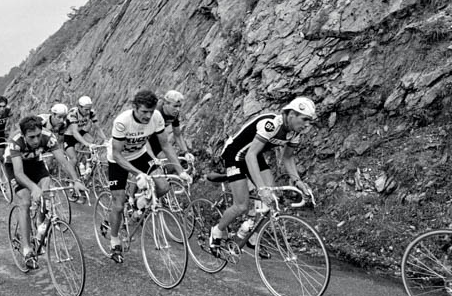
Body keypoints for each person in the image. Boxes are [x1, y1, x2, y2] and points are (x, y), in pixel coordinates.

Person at [209, 96, 316, 253]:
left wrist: (297, 181)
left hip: (254, 154)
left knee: (272, 198)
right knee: (241, 205)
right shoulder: (271, 124)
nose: (307, 125)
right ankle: (216, 231)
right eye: (305, 119)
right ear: (292, 114)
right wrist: (261, 188)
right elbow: (249, 156)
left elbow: (287, 157)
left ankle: (253, 236)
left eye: (309, 121)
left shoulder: (294, 132)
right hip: (235, 154)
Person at [106, 89, 190, 263]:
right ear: (135, 108)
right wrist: (138, 174)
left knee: (163, 187)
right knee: (119, 203)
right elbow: (117, 154)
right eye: (144, 112)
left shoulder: (157, 118)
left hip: (140, 154)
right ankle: (114, 241)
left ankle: (139, 203)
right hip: (118, 160)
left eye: (150, 112)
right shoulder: (122, 121)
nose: (147, 116)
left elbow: (166, 145)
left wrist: (180, 171)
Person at [5, 115, 87, 269]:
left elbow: (63, 161)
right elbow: (19, 173)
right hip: (16, 167)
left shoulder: (48, 137)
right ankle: (27, 249)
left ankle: (39, 226)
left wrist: (76, 180)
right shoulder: (16, 141)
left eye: (38, 135)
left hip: (36, 164)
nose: (36, 140)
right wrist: (33, 188)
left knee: (46, 191)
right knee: (25, 201)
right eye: (31, 137)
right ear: (23, 135)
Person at [63, 95, 107, 177]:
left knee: (93, 143)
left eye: (89, 109)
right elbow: (74, 132)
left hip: (80, 132)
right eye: (86, 109)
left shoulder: (91, 112)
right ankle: (71, 179)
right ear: (79, 107)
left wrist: (106, 140)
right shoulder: (73, 113)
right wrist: (86, 144)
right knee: (74, 159)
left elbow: (97, 128)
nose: (88, 112)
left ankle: (88, 165)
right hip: (69, 135)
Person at [147, 90, 193, 162]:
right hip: (144, 141)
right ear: (166, 103)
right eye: (175, 106)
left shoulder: (174, 114)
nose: (178, 109)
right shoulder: (156, 113)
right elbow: (144, 138)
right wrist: (153, 158)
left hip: (157, 139)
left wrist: (186, 152)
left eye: (179, 106)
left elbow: (177, 135)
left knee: (172, 164)